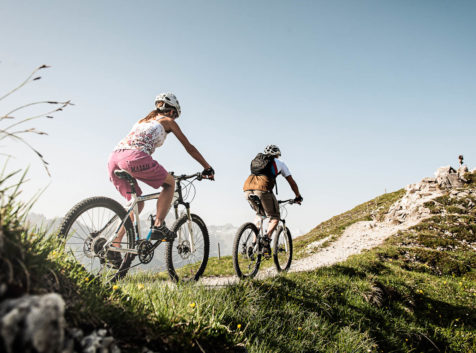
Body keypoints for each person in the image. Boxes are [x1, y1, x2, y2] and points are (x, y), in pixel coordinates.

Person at [108, 93, 214, 251]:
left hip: (114, 158)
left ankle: (114, 243)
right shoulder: (168, 121)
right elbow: (189, 147)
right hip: (134, 157)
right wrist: (207, 167)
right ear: (171, 112)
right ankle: (158, 225)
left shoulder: (141, 121)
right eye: (175, 116)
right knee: (170, 183)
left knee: (137, 203)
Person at [243, 144, 302, 256]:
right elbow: (291, 182)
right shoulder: (280, 164)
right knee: (275, 216)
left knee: (260, 215)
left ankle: (253, 243)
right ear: (277, 155)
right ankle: (266, 240)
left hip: (247, 189)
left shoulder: (257, 161)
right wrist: (298, 196)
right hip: (263, 190)